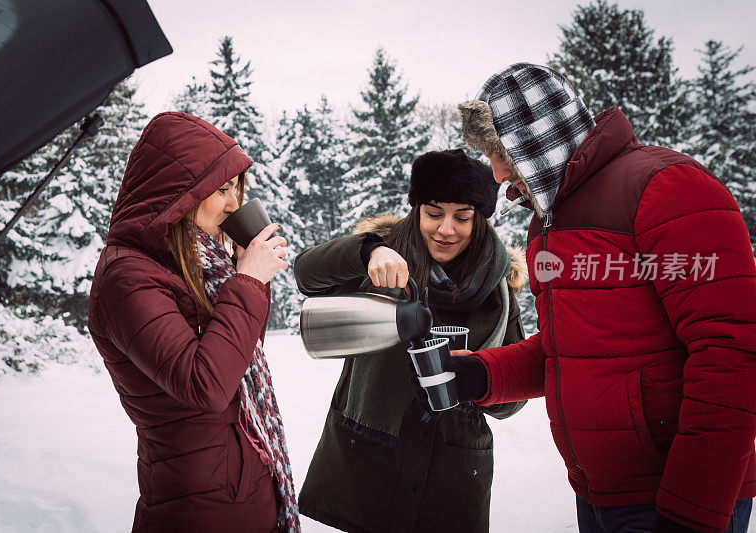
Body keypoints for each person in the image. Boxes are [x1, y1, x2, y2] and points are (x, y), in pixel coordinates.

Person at [446, 62, 756, 532]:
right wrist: (483, 375)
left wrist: (692, 507)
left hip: (672, 499)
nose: (497, 171)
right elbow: (567, 351)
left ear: (538, 140)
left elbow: (732, 353)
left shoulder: (667, 187)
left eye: (500, 152)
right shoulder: (549, 221)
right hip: (598, 495)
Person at [294, 148, 528, 533]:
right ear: (417, 209)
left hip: (451, 475)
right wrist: (366, 250)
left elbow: (511, 402)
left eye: (463, 217)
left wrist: (479, 378)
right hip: (368, 463)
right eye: (434, 213)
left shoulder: (497, 291)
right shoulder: (382, 259)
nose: (446, 229)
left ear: (481, 221)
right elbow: (306, 275)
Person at [87, 112, 300, 533]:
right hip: (198, 506)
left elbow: (238, 352)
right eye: (221, 189)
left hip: (245, 486)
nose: (234, 204)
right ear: (179, 193)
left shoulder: (196, 264)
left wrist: (244, 276)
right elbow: (205, 384)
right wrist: (248, 281)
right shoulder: (127, 277)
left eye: (235, 188)